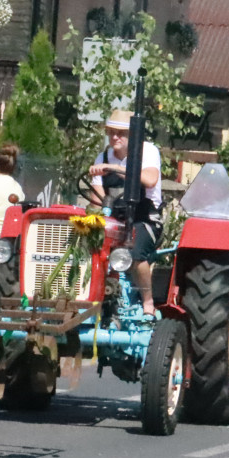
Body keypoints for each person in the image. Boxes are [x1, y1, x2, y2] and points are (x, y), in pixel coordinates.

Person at [87, 109, 163, 315]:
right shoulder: (102, 156)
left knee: (134, 252)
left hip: (144, 216)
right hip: (114, 217)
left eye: (121, 133)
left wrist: (115, 168)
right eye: (111, 132)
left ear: (134, 135)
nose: (114, 137)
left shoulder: (147, 151)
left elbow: (149, 179)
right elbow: (97, 199)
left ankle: (148, 302)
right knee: (86, 245)